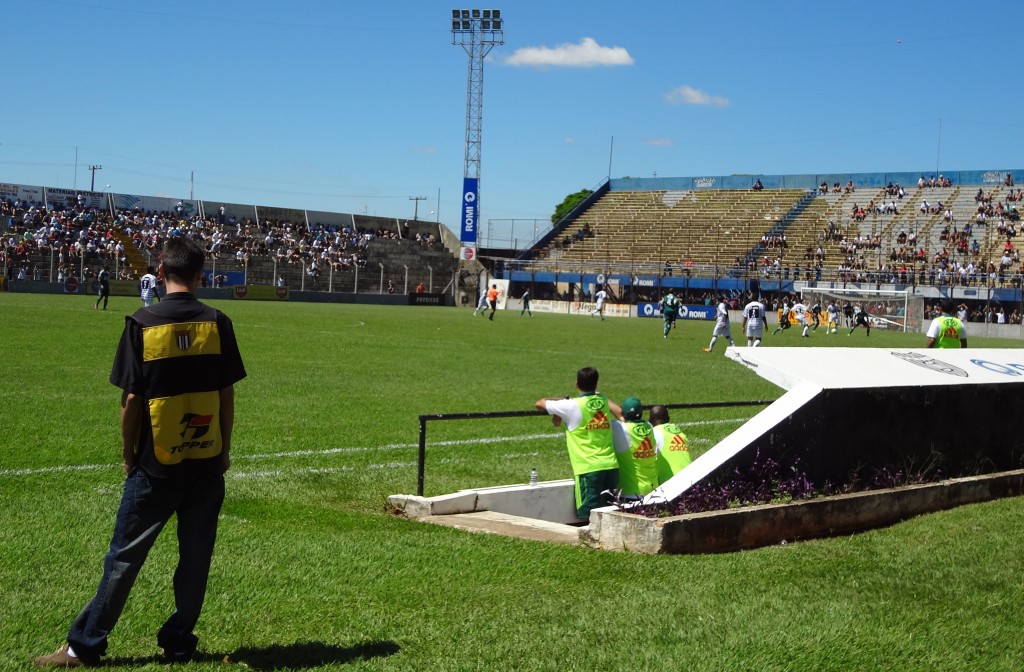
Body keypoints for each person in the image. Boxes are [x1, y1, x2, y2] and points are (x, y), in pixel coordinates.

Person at [34, 237, 247, 668]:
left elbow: (131, 402)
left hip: (156, 464)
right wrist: (223, 449)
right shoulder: (218, 323)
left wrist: (129, 454)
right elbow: (225, 396)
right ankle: (179, 640)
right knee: (196, 558)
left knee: (124, 557)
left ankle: (84, 646)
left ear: (160, 271)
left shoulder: (142, 323)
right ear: (200, 275)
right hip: (206, 461)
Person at [535, 367, 620, 522]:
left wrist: (561, 400)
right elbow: (620, 412)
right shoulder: (603, 401)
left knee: (588, 516)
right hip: (611, 465)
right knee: (612, 513)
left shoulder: (572, 405)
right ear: (596, 384)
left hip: (589, 469)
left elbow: (540, 403)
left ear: (576, 383)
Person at [610, 397, 659, 501]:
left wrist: (603, 397)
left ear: (623, 413)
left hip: (630, 493)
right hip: (653, 490)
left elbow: (617, 414)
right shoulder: (649, 426)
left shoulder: (620, 429)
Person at [649, 405, 691, 484]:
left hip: (671, 484)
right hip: (691, 479)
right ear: (668, 419)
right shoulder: (679, 432)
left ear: (650, 421)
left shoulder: (654, 433)